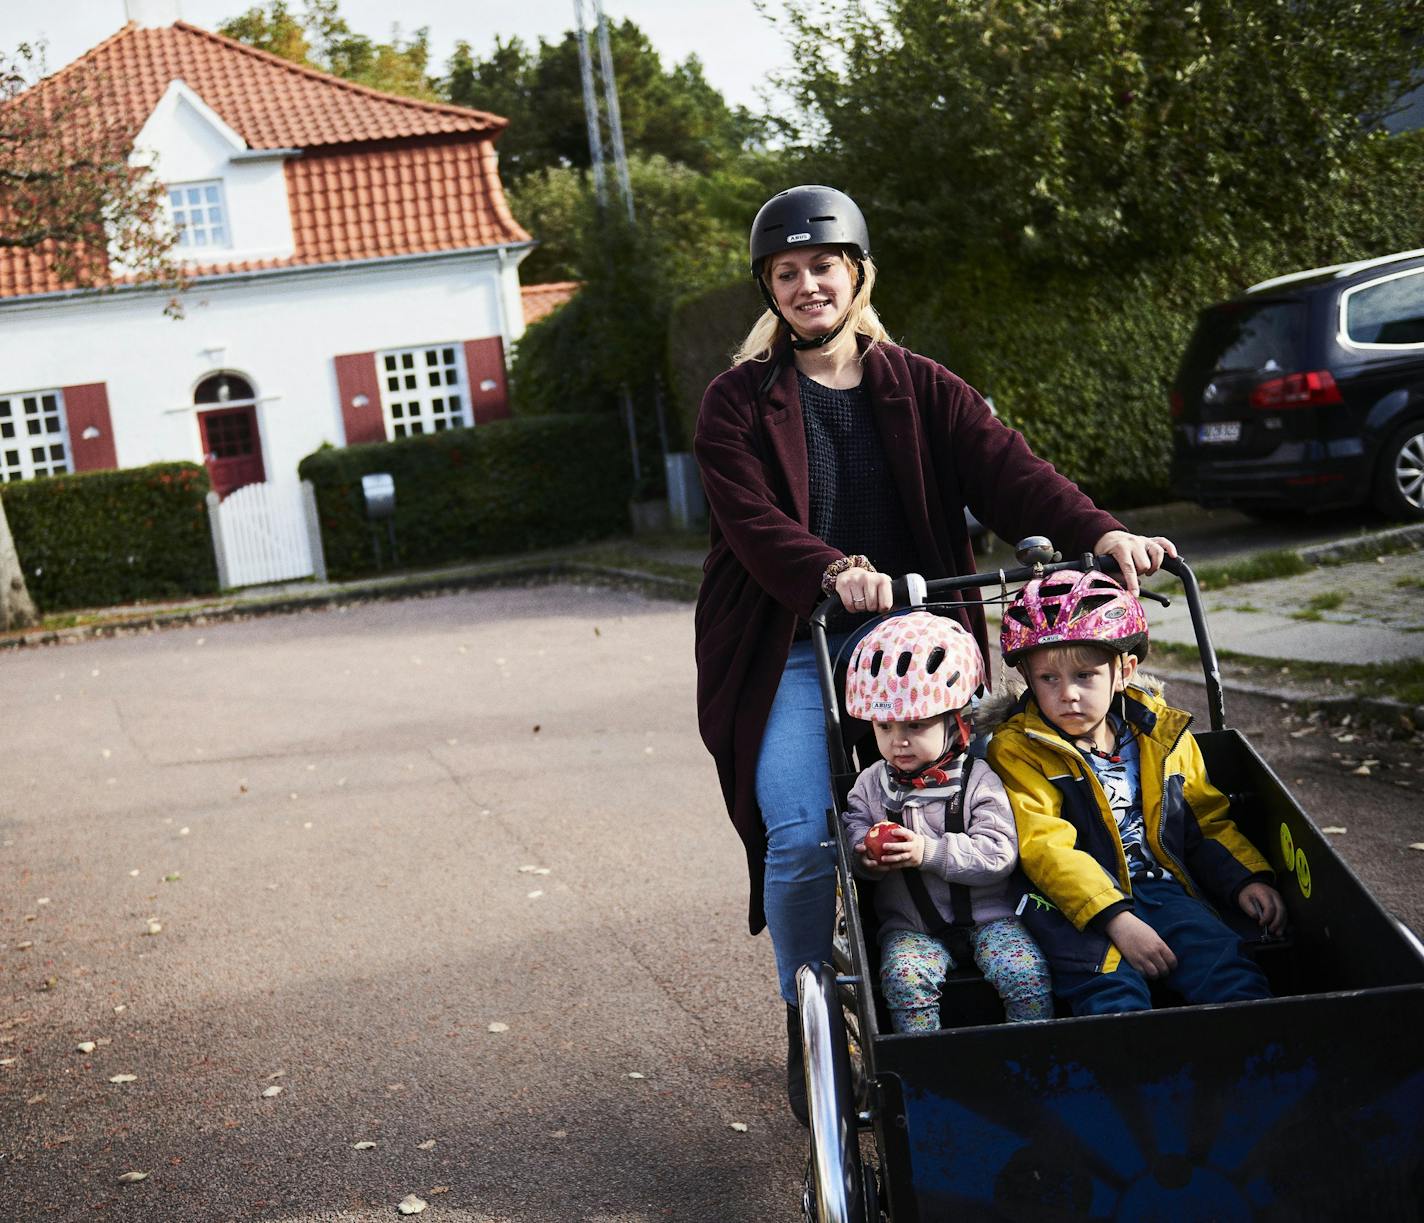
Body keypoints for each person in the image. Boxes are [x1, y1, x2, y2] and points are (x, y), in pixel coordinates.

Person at [692, 183, 1176, 1123]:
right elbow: (749, 521)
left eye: (822, 266)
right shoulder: (736, 401)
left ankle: (1011, 966)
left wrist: (1101, 532)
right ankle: (812, 1028)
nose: (806, 285)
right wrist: (831, 569)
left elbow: (1010, 468)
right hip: (789, 641)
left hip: (913, 644)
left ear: (857, 273)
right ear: (770, 290)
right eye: (785, 273)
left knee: (988, 795)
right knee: (799, 836)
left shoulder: (919, 385)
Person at [985, 569, 1286, 1016]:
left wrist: (1245, 878)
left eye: (1085, 675)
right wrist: (1117, 919)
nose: (1067, 694)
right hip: (1070, 905)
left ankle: (1259, 1054)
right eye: (1048, 679)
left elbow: (1202, 817)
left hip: (1159, 886)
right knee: (1110, 990)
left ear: (1124, 671)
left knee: (1225, 964)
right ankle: (1134, 1069)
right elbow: (1045, 847)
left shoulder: (1159, 737)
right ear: (1028, 677)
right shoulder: (1020, 748)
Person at [840, 611, 1053, 1033]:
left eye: (915, 725)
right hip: (910, 928)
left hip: (992, 918)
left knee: (1025, 973)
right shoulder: (870, 785)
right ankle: (923, 1068)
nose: (898, 740)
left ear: (957, 724)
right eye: (884, 726)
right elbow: (853, 832)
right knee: (903, 978)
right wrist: (865, 855)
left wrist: (927, 851)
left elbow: (999, 854)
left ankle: (1032, 1054)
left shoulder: (979, 780)